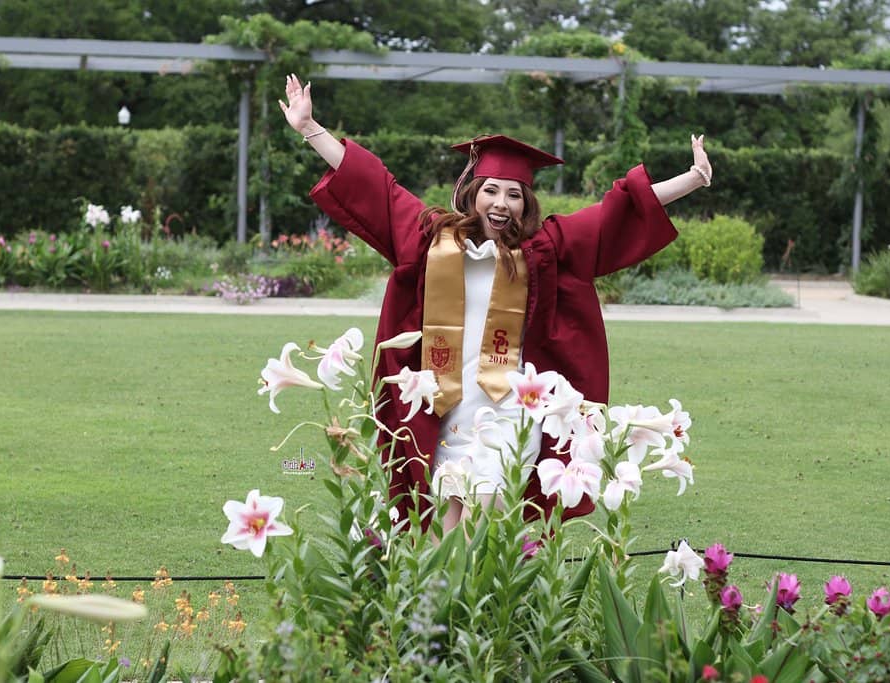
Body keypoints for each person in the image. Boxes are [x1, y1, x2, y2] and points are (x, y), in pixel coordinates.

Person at [279, 74, 711, 531]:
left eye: (514, 194)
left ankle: (480, 601)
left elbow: (612, 216)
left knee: (483, 519)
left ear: (526, 203)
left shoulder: (547, 250)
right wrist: (309, 128)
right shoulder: (432, 238)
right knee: (446, 534)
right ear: (472, 192)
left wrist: (691, 179)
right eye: (491, 190)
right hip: (445, 411)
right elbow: (376, 189)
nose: (501, 203)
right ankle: (454, 605)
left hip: (509, 409)